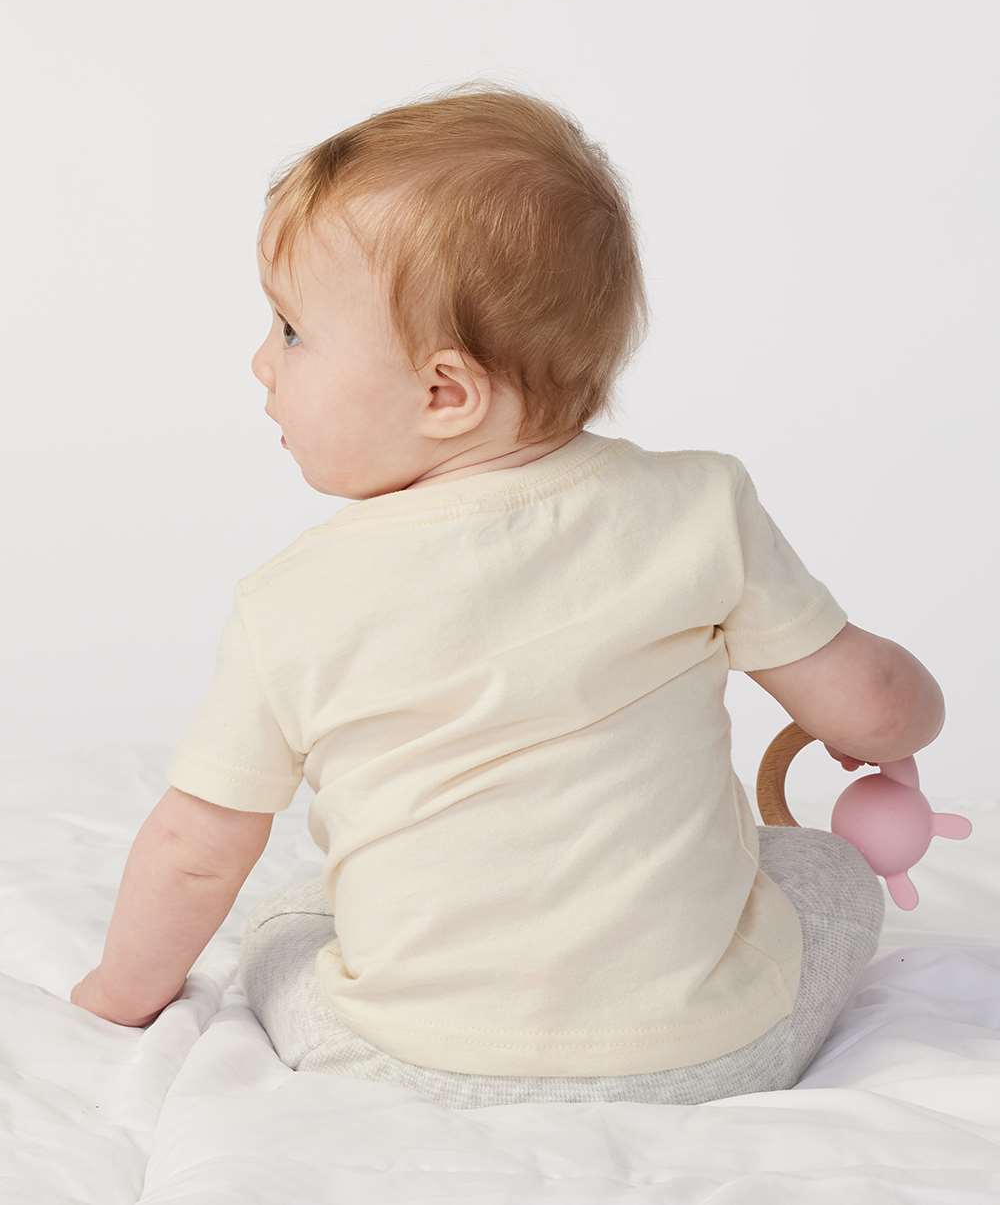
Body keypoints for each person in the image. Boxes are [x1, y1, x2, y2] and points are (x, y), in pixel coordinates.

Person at [164, 81, 944, 1108]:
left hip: (407, 1060)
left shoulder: (292, 600)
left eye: (292, 329)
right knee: (821, 870)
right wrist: (893, 731)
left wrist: (116, 996)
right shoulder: (700, 506)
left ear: (446, 392)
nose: (260, 362)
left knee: (286, 922)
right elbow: (875, 704)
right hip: (711, 1051)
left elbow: (192, 853)